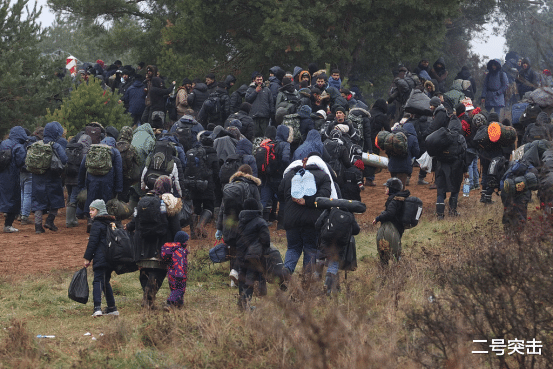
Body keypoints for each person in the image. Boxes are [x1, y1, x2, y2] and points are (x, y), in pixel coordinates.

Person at [126, 176, 182, 308]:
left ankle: (147, 298)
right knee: (159, 271)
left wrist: (128, 227)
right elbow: (176, 228)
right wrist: (179, 243)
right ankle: (148, 298)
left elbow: (134, 221)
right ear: (169, 187)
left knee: (144, 270)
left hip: (142, 244)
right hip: (160, 243)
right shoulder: (169, 202)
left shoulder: (144, 201)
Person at [279, 154, 333, 275]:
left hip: (291, 220)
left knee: (293, 248)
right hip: (312, 221)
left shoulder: (289, 176)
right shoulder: (324, 177)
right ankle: (307, 279)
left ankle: (286, 272)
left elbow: (280, 194)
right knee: (310, 249)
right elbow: (324, 197)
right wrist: (308, 201)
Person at [216, 164, 261, 287]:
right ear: (250, 174)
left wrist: (219, 228)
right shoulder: (252, 186)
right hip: (245, 224)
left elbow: (222, 209)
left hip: (228, 225)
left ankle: (232, 281)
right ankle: (242, 276)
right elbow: (258, 206)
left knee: (232, 250)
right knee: (245, 250)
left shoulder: (229, 186)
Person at [83, 199, 119, 317]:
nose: (90, 212)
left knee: (97, 281)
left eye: (92, 210)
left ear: (99, 211)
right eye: (89, 210)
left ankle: (97, 308)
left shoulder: (97, 224)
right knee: (105, 282)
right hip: (112, 258)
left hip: (101, 258)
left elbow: (92, 243)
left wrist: (87, 258)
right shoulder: (112, 223)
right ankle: (112, 307)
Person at [32, 122, 68, 234]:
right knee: (56, 200)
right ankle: (49, 221)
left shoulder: (36, 144)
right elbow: (64, 159)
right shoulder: (55, 145)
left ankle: (38, 227)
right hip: (52, 177)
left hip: (37, 177)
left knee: (38, 201)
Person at [372, 178, 410, 265]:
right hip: (398, 228)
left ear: (392, 189)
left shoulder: (394, 200)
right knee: (396, 248)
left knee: (385, 249)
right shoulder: (400, 198)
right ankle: (397, 269)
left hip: (392, 228)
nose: (385, 189)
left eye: (387, 187)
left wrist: (378, 218)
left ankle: (386, 268)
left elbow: (390, 214)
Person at [0, 126, 28, 233]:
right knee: (13, 200)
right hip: (12, 177)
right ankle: (8, 225)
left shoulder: (3, 143)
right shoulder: (18, 146)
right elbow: (21, 162)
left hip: (1, 176)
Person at [160, 231, 189, 309]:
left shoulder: (172, 249)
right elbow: (179, 264)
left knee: (174, 289)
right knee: (179, 289)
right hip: (178, 274)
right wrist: (180, 274)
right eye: (186, 240)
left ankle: (179, 304)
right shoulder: (179, 251)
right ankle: (170, 303)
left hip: (171, 273)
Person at [245, 73, 275, 138]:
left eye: (261, 80)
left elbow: (271, 101)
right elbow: (247, 100)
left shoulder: (267, 90)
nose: (259, 81)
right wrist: (255, 92)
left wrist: (271, 112)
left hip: (264, 116)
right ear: (254, 80)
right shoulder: (250, 89)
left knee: (265, 135)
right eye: (258, 80)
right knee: (255, 135)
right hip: (254, 116)